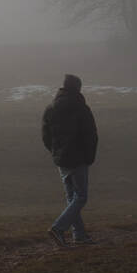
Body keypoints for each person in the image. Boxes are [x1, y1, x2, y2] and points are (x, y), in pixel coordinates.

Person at [41, 73, 98, 247]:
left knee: (72, 197)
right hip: (78, 158)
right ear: (77, 88)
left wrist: (55, 152)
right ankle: (58, 228)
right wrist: (89, 157)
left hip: (62, 160)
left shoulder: (50, 108)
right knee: (81, 197)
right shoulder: (81, 108)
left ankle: (79, 235)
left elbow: (45, 136)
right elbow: (91, 135)